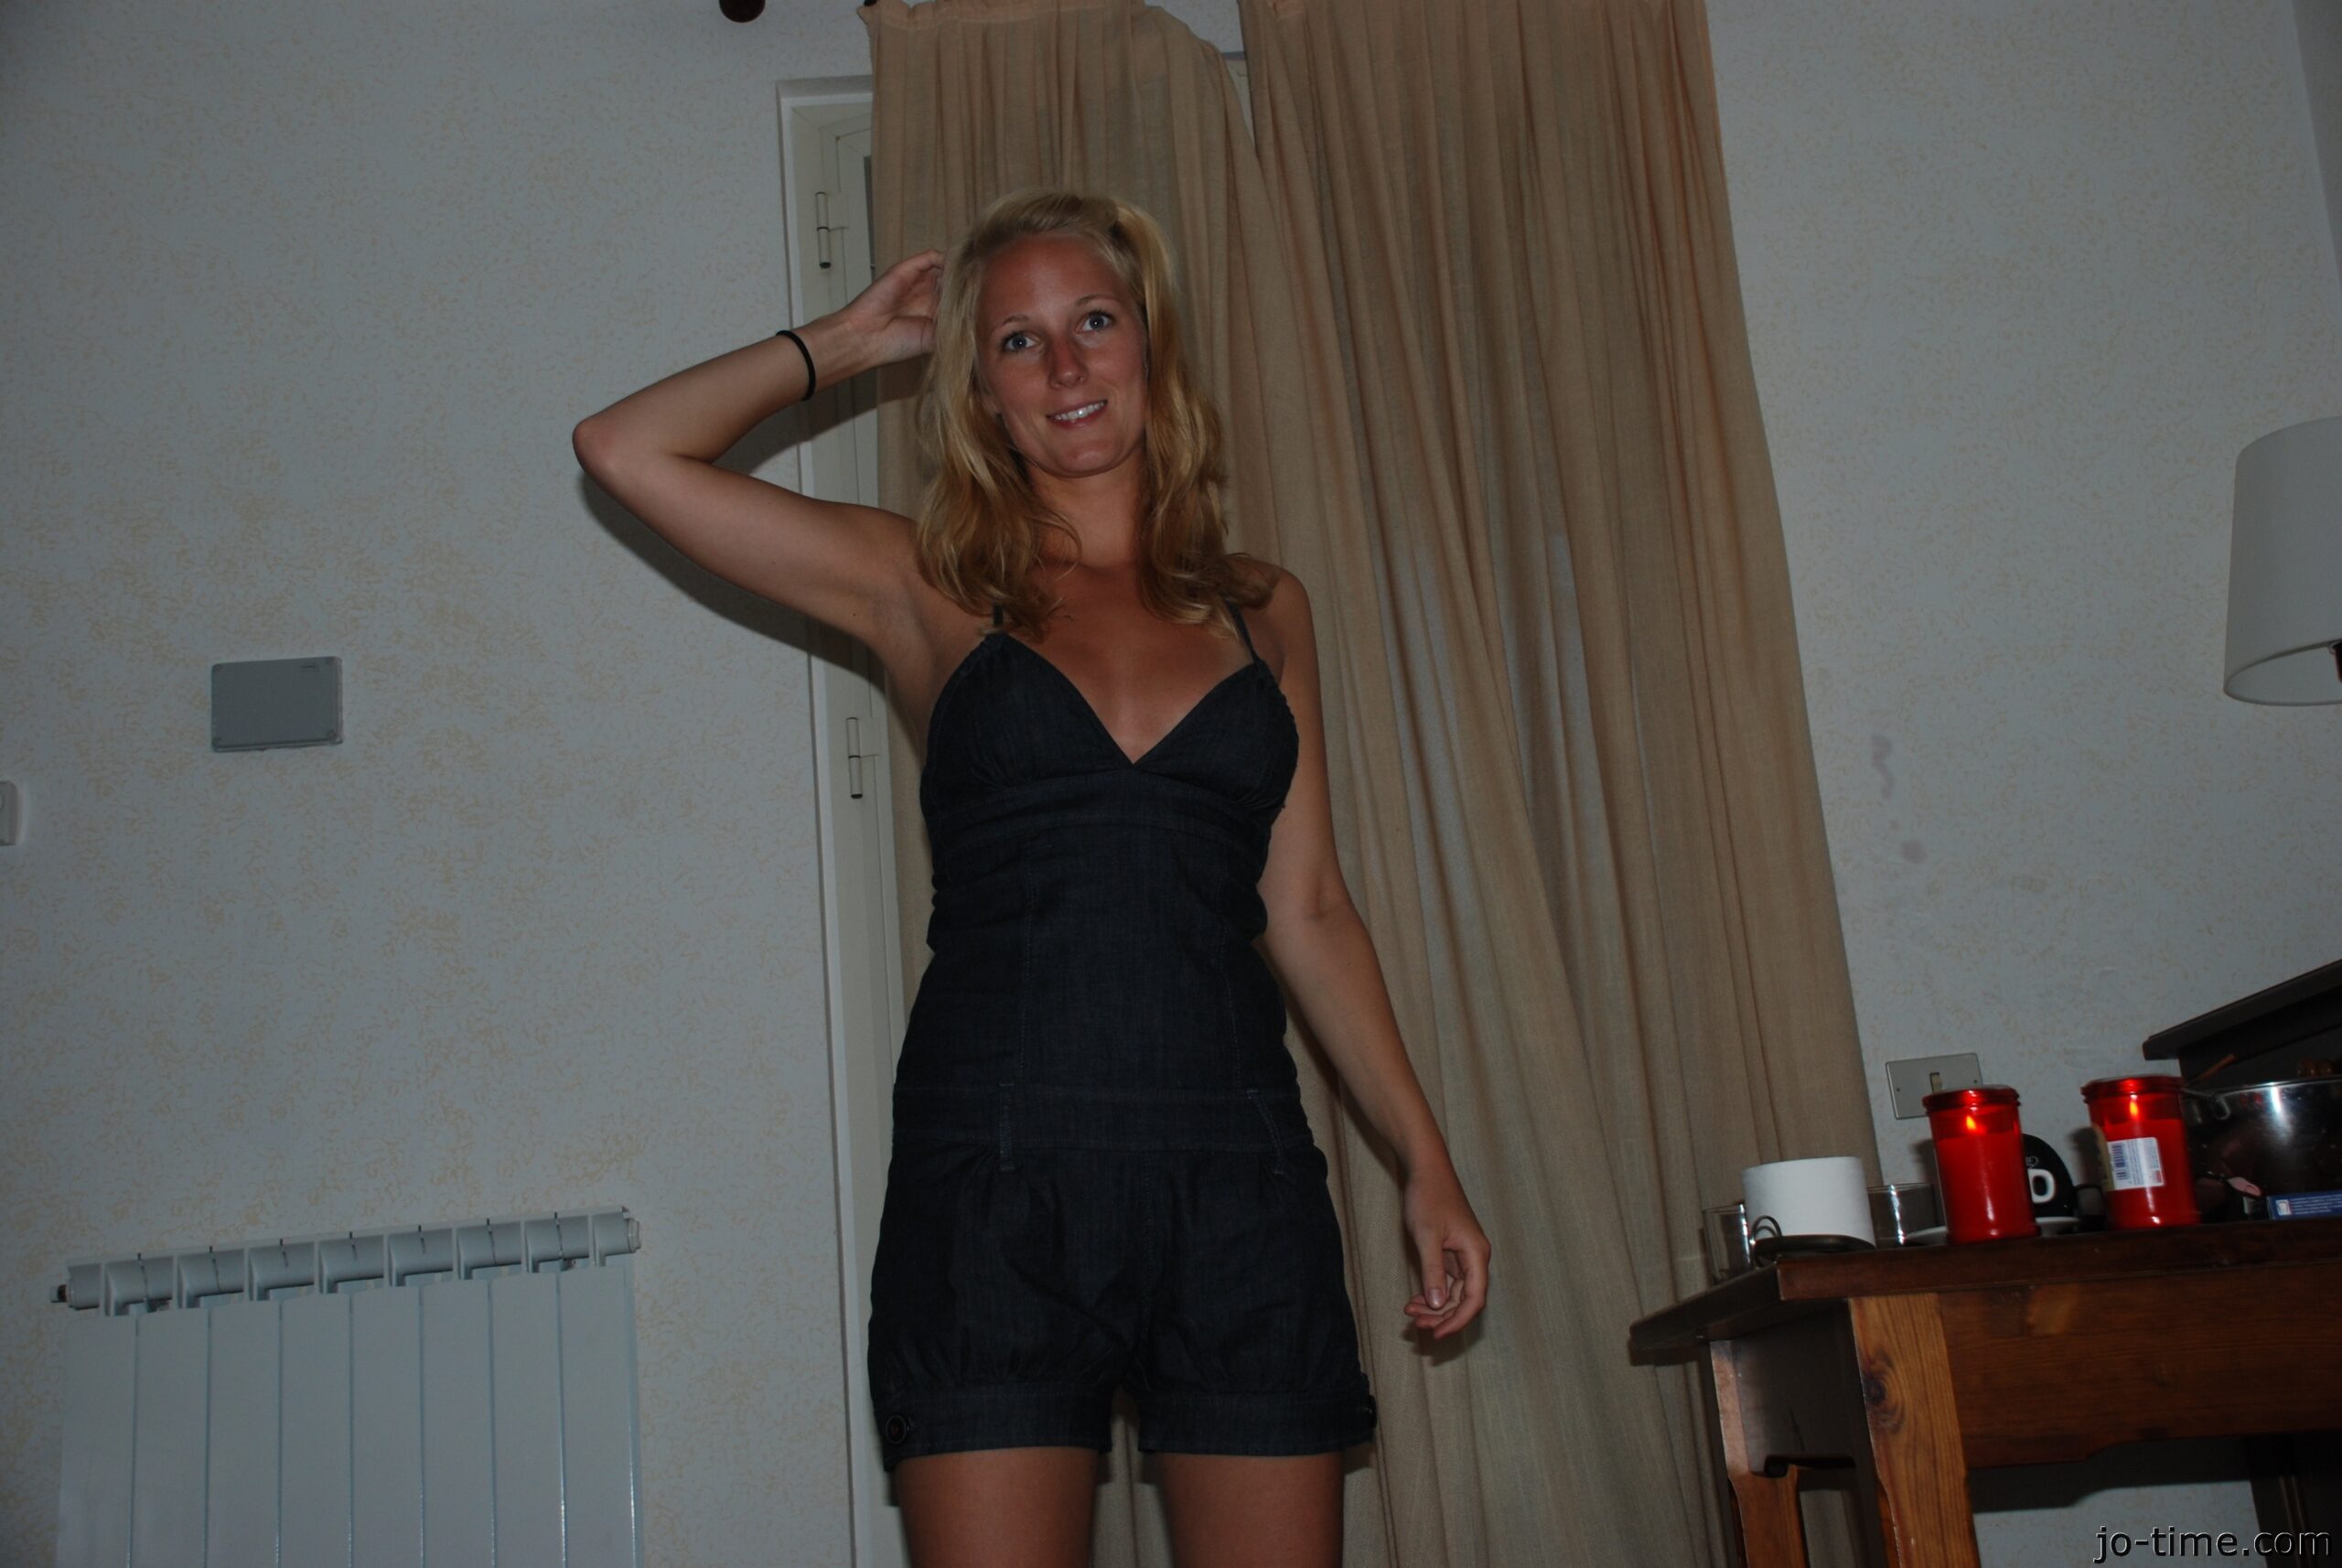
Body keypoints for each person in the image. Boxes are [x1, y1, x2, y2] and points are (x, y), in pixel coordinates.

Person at [573, 188, 1488, 1568]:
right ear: (982, 394)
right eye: (1017, 341)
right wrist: (845, 343)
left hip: (1237, 1179)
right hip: (993, 1183)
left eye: (1095, 322)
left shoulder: (1266, 607)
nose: (1065, 366)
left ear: (1150, 345)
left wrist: (1426, 1160)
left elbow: (1307, 910)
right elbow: (624, 449)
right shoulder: (923, 584)